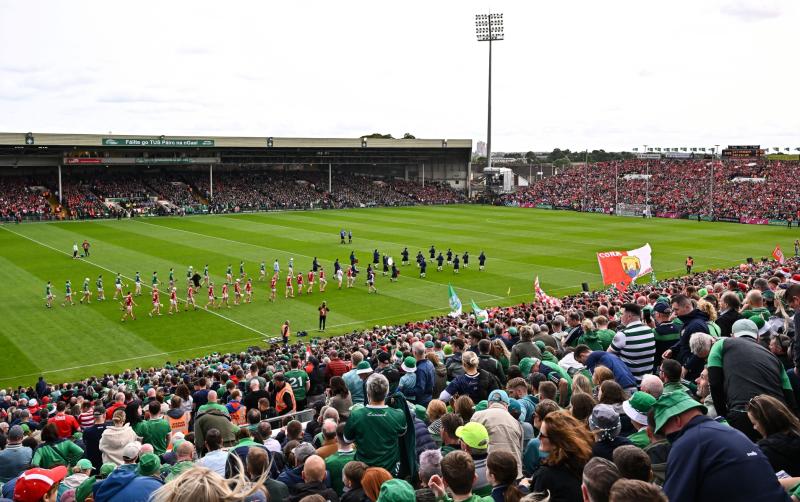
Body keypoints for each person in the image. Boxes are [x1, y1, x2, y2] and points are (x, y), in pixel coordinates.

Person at [652, 390, 789, 502]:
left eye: (664, 430)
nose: (667, 437)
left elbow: (672, 498)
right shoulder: (732, 433)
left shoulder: (687, 442)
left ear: (677, 420)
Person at [708, 318, 796, 441]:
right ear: (758, 338)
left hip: (742, 414)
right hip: (777, 417)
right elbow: (789, 394)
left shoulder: (721, 344)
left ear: (732, 335)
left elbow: (715, 382)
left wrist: (723, 417)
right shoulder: (774, 357)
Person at [343, 373, 407, 473]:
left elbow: (347, 440)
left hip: (365, 471)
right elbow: (401, 433)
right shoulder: (399, 414)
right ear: (387, 392)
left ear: (368, 392)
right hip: (390, 470)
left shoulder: (356, 415)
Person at [524, 410, 593, 502]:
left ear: (556, 441)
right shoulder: (585, 464)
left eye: (542, 435)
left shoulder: (546, 475)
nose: (539, 437)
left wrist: (523, 488)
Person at [471, 390, 524, 479]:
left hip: (489, 474)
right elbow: (520, 452)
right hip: (514, 475)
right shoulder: (516, 423)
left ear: (488, 404)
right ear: (506, 406)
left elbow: (470, 445)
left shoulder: (477, 416)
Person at [746, 394, 800, 476]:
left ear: (765, 422)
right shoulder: (797, 433)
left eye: (754, 423)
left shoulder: (765, 451)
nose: (754, 428)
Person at [608, 303, 655, 385]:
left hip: (630, 384)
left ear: (629, 316)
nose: (620, 317)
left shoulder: (623, 334)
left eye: (622, 314)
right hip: (648, 382)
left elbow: (608, 355)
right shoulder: (650, 330)